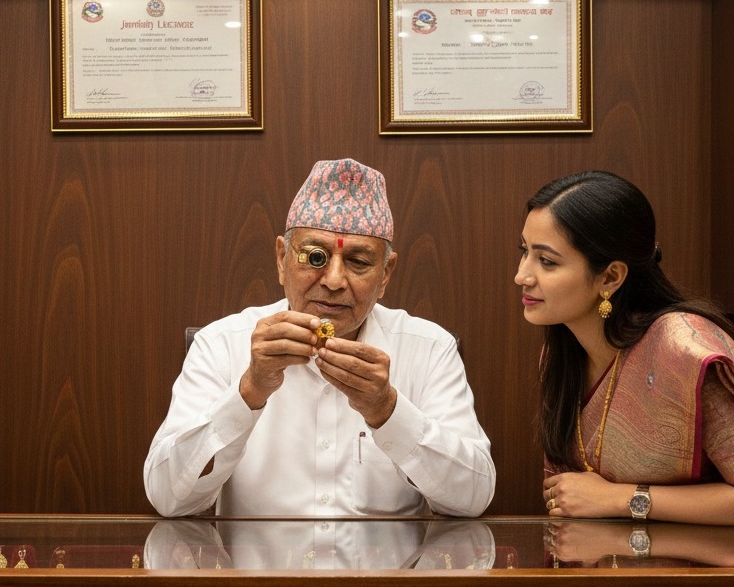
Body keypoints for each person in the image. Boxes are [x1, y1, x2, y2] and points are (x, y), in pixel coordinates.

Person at [144, 158, 495, 537]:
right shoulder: (222, 344)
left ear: (386, 274)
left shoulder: (428, 349)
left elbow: (472, 499)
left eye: (359, 262)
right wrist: (250, 390)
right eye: (314, 257)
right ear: (281, 259)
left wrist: (387, 409)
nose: (333, 280)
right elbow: (169, 499)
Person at [515, 169, 734, 526]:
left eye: (546, 261)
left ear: (611, 277)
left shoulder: (682, 350)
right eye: (525, 252)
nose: (522, 275)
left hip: (708, 570)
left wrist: (622, 498)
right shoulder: (559, 354)